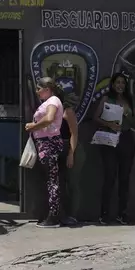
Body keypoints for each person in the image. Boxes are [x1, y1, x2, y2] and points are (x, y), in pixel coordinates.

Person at [93, 73, 135, 225]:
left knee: (124, 179)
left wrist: (126, 112)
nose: (120, 85)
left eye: (123, 83)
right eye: (117, 82)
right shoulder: (107, 98)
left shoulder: (128, 100)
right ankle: (104, 214)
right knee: (110, 177)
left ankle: (122, 213)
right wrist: (109, 124)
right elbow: (95, 117)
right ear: (112, 84)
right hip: (109, 139)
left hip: (126, 139)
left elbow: (133, 122)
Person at [25, 77, 65, 228]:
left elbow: (49, 119)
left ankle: (54, 216)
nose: (37, 92)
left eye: (39, 89)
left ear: (47, 89)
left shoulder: (53, 101)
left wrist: (33, 126)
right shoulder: (49, 102)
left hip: (49, 144)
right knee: (49, 180)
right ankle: (49, 213)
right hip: (45, 144)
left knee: (52, 181)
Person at [58, 94, 79, 226]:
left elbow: (74, 134)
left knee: (64, 183)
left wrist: (71, 153)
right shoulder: (49, 109)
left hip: (64, 148)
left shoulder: (67, 111)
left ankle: (67, 215)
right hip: (52, 148)